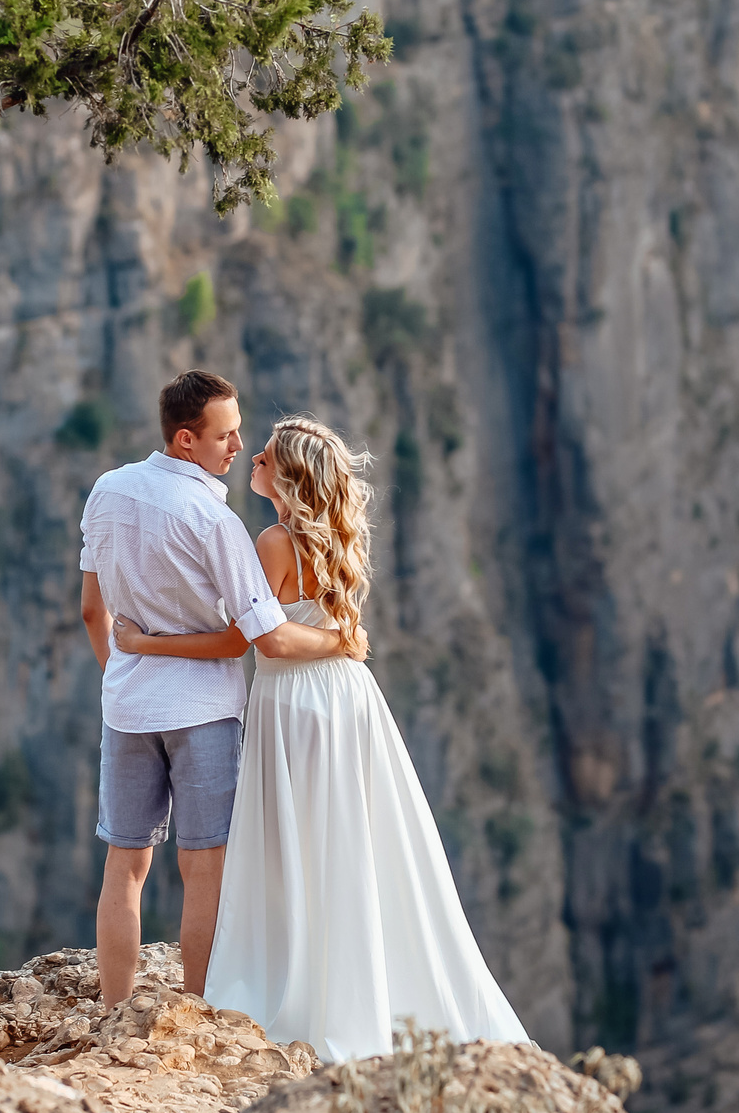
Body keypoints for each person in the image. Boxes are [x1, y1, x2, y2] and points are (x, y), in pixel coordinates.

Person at [114, 413, 530, 1062]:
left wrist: (144, 641)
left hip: (298, 703)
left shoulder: (273, 541)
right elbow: (292, 632)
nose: (253, 455)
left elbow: (257, 638)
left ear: (288, 473)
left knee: (299, 845)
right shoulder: (333, 535)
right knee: (346, 842)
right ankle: (349, 980)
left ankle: (305, 983)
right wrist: (341, 641)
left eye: (268, 453)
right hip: (346, 698)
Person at [78, 372, 367, 1008]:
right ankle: (197, 1008)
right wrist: (343, 637)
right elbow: (256, 638)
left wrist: (124, 676)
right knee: (202, 869)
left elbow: (92, 610)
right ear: (187, 440)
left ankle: (112, 1010)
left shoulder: (106, 491)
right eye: (227, 434)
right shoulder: (218, 523)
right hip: (203, 711)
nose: (239, 445)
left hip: (127, 706)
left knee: (124, 865)